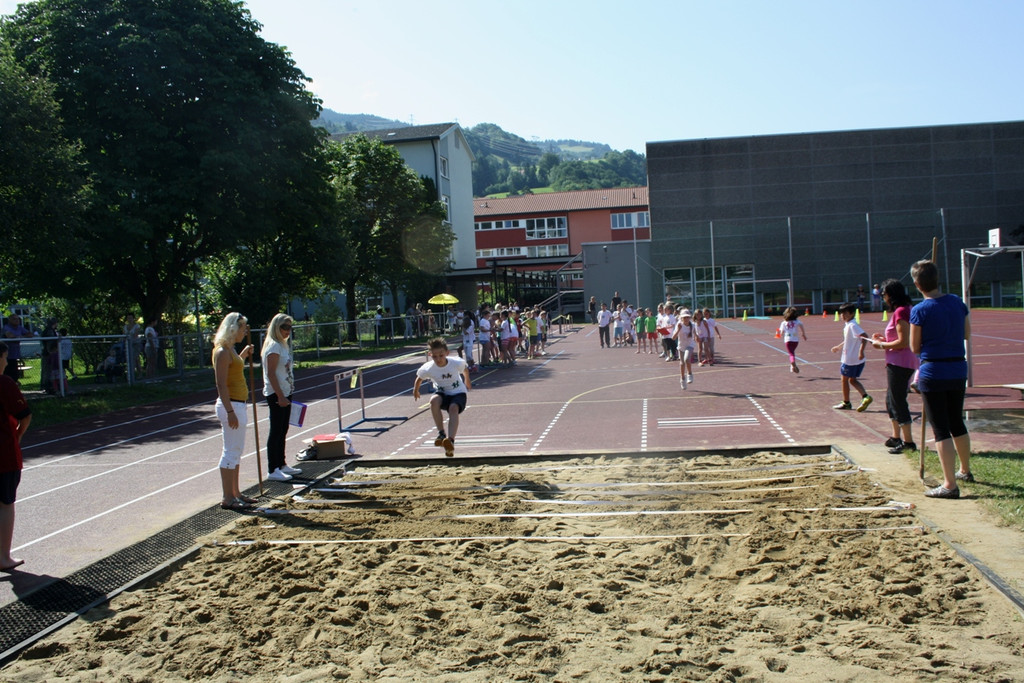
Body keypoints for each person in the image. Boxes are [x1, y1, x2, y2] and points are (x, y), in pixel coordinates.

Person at [909, 260, 973, 499]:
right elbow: (966, 333)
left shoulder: (920, 310)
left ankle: (949, 484)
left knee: (941, 428)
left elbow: (915, 347)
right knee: (957, 421)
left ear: (917, 284)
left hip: (934, 371)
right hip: (957, 369)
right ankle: (965, 470)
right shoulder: (957, 302)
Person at [213, 312, 256, 511]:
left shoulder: (229, 350)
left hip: (238, 404)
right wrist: (230, 411)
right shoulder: (222, 351)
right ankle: (227, 496)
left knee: (236, 452)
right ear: (233, 328)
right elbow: (221, 384)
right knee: (230, 452)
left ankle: (236, 492)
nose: (244, 331)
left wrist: (243, 355)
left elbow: (233, 368)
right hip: (232, 405)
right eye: (242, 328)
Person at [871, 279, 920, 454]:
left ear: (890, 295)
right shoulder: (904, 310)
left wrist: (881, 345)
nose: (883, 298)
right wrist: (884, 340)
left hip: (901, 362)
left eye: (883, 294)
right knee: (890, 399)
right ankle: (896, 436)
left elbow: (904, 341)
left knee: (898, 400)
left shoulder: (901, 312)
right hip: (897, 360)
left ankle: (908, 442)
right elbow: (898, 339)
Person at [0, 342, 31, 572]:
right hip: (4, 454)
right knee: (5, 503)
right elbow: (25, 415)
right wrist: (18, 436)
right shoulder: (5, 384)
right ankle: (3, 557)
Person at [413, 338, 471, 457]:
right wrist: (415, 390)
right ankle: (441, 433)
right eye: (434, 356)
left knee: (453, 408)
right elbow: (419, 378)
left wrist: (467, 381)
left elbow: (465, 369)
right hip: (443, 393)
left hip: (458, 393)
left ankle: (450, 441)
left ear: (447, 353)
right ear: (430, 355)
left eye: (441, 355)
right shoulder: (428, 368)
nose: (438, 359)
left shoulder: (455, 363)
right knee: (433, 401)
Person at [262, 314, 302, 483]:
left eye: (289, 328)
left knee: (283, 429)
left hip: (286, 391)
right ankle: (273, 468)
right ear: (276, 327)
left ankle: (282, 463)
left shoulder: (282, 345)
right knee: (276, 430)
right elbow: (270, 373)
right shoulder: (273, 347)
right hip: (276, 394)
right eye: (284, 327)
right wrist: (279, 395)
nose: (287, 331)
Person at [830, 302, 872, 411]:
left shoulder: (852, 325)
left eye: (845, 313)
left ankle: (846, 402)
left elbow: (865, 337)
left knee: (844, 380)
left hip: (850, 359)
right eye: (841, 313)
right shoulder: (849, 325)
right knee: (852, 380)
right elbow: (849, 339)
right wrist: (838, 347)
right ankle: (865, 397)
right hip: (855, 360)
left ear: (852, 313)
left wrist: (861, 351)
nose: (842, 316)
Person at [1, 315, 33, 384]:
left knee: (15, 374)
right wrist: (18, 337)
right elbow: (10, 336)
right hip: (6, 356)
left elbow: (30, 334)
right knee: (6, 374)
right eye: (14, 319)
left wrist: (20, 337)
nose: (17, 320)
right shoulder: (6, 327)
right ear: (9, 320)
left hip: (15, 355)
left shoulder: (20, 328)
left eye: (18, 319)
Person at [778, 307, 808, 374]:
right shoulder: (797, 321)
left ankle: (792, 363)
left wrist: (779, 334)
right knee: (792, 352)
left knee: (791, 354)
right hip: (795, 340)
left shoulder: (784, 323)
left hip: (787, 340)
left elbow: (781, 332)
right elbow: (801, 325)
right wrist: (803, 334)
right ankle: (792, 367)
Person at [672, 309, 696, 389]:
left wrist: (698, 337)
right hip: (681, 346)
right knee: (682, 363)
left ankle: (689, 373)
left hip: (690, 345)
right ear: (681, 318)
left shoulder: (692, 325)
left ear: (689, 318)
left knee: (686, 359)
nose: (686, 319)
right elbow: (673, 337)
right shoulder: (679, 325)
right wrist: (678, 329)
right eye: (684, 317)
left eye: (687, 317)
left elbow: (695, 334)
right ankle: (682, 379)